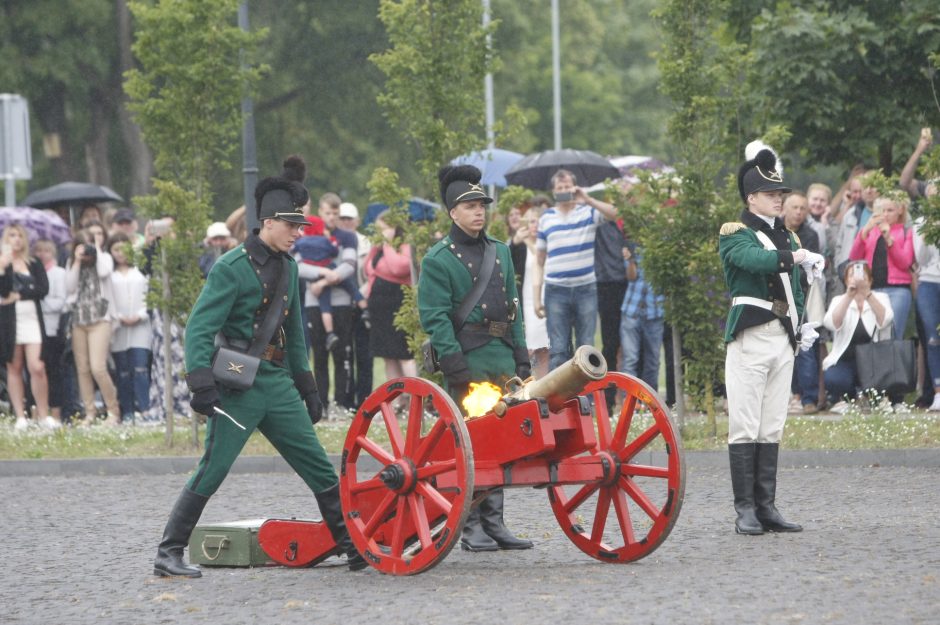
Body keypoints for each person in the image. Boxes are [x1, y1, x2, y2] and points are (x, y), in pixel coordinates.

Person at [153, 175, 365, 578]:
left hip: (277, 383)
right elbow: (199, 327)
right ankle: (169, 550)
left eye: (301, 227)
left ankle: (351, 545)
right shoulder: (230, 267)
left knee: (318, 465)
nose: (298, 235)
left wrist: (308, 387)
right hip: (237, 385)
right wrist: (200, 381)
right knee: (214, 468)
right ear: (268, 222)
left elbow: (297, 333)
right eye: (292, 226)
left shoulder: (289, 267)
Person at [418, 164, 532, 553]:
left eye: (482, 204)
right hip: (467, 359)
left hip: (501, 359)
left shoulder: (500, 250)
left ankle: (495, 522)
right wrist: (455, 365)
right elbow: (435, 318)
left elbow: (514, 308)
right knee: (467, 444)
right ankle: (470, 526)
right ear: (452, 212)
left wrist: (521, 356)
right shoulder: (438, 259)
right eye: (469, 205)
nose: (479, 211)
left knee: (501, 442)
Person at [719, 144, 823, 536]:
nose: (779, 200)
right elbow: (754, 261)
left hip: (782, 337)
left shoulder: (790, 238)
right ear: (751, 198)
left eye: (781, 194)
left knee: (772, 425)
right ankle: (744, 509)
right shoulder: (735, 234)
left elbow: (794, 291)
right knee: (744, 425)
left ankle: (766, 506)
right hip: (751, 336)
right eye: (771, 195)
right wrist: (793, 259)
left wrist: (801, 323)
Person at [532, 169, 619, 370]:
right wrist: (537, 297)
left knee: (586, 347)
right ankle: (559, 400)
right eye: (559, 188)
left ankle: (586, 399)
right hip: (556, 290)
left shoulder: (587, 212)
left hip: (585, 288)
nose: (563, 190)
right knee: (559, 349)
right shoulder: (546, 218)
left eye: (567, 187)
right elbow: (539, 260)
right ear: (554, 192)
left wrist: (587, 199)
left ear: (575, 187)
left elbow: (615, 214)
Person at [300, 192, 360, 414]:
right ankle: (322, 403)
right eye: (328, 213)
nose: (332, 217)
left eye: (336, 213)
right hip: (314, 302)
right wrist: (324, 272)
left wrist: (323, 281)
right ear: (320, 212)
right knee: (320, 354)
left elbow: (349, 265)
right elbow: (299, 266)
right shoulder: (307, 236)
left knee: (343, 352)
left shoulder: (347, 237)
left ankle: (342, 402)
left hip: (341, 301)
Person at [65, 229, 120, 425]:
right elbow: (69, 287)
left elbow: (105, 271)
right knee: (83, 368)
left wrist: (95, 249)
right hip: (79, 319)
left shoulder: (104, 258)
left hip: (100, 318)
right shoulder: (73, 262)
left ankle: (113, 410)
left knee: (98, 367)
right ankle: (90, 412)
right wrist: (78, 260)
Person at [822, 261, 893, 411]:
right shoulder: (839, 300)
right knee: (834, 378)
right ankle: (847, 398)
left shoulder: (881, 297)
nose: (858, 278)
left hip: (874, 361)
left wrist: (867, 294)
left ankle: (873, 398)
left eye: (862, 275)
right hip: (846, 359)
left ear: (870, 279)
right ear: (846, 280)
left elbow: (886, 319)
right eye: (852, 275)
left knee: (878, 384)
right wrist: (849, 296)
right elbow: (831, 323)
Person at [1, 224, 52, 430]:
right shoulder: (3, 263)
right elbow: (4, 294)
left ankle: (43, 413)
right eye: (12, 235)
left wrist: (20, 295)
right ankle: (20, 415)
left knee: (37, 366)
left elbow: (43, 289)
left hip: (31, 317)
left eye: (19, 235)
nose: (16, 239)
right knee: (14, 366)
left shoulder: (34, 263)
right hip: (9, 320)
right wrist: (3, 270)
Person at [294, 215, 367, 351]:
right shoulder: (324, 240)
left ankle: (330, 332)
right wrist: (330, 239)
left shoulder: (301, 242)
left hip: (315, 277)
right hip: (331, 269)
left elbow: (294, 252)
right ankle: (365, 309)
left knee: (324, 304)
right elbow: (333, 251)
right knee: (351, 287)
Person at [848, 196, 914, 340]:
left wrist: (889, 239)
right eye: (882, 211)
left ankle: (894, 362)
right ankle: (875, 363)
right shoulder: (871, 232)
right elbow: (854, 257)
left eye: (890, 210)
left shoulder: (906, 231)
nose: (885, 215)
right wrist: (864, 232)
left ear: (900, 211)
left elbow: (905, 263)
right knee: (872, 332)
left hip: (898, 290)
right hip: (873, 288)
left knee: (893, 332)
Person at [782, 192, 822, 415]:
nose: (798, 212)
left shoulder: (811, 235)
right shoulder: (776, 232)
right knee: (785, 346)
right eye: (794, 207)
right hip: (780, 295)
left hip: (803, 297)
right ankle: (791, 394)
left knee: (805, 347)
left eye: (802, 208)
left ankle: (808, 397)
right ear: (785, 209)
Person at [364, 211, 416, 382]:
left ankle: (419, 397)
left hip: (398, 304)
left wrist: (387, 244)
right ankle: (396, 400)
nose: (380, 234)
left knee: (403, 353)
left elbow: (398, 268)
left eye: (383, 229)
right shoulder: (380, 246)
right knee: (388, 355)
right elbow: (368, 268)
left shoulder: (405, 245)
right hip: (380, 306)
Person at [108, 233, 152, 423]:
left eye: (123, 249)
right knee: (123, 371)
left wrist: (140, 315)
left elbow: (150, 297)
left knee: (140, 368)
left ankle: (144, 409)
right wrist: (119, 317)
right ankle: (127, 411)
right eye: (115, 249)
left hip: (140, 328)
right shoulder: (109, 275)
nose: (120, 254)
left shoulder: (140, 272)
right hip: (118, 328)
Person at [336, 201, 374, 406]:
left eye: (349, 219)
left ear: (357, 221)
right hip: (339, 303)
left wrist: (359, 295)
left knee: (364, 354)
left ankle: (365, 398)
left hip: (363, 304)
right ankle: (346, 400)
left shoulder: (366, 243)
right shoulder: (333, 241)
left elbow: (372, 274)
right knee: (343, 354)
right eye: (342, 218)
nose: (345, 222)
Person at [620, 243, 664, 391]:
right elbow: (631, 277)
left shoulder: (665, 245)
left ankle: (650, 403)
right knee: (630, 360)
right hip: (632, 310)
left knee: (653, 361)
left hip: (655, 311)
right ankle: (629, 402)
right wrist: (631, 260)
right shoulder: (634, 244)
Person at [33, 238, 68, 424]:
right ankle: (37, 410)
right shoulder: (30, 272)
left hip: (52, 328)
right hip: (34, 328)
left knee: (53, 371)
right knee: (36, 370)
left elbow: (60, 302)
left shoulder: (59, 273)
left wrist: (39, 302)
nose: (41, 254)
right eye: (38, 250)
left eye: (45, 250)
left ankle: (55, 411)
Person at [517, 207, 549, 379]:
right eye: (531, 221)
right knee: (529, 346)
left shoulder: (544, 243)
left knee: (544, 347)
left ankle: (543, 382)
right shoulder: (519, 244)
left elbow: (541, 259)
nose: (535, 225)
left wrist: (529, 241)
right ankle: (526, 381)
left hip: (545, 297)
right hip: (527, 300)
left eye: (538, 221)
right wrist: (521, 240)